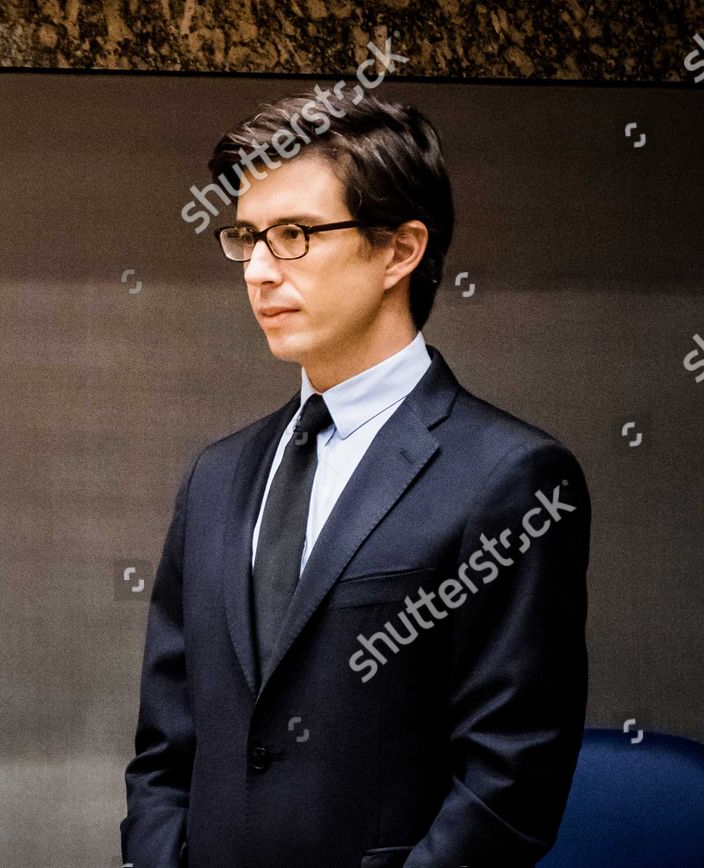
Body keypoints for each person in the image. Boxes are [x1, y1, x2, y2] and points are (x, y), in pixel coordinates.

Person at [120, 94, 593, 868]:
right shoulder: (217, 475)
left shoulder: (510, 477)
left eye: (295, 235)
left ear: (400, 250)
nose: (259, 271)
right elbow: (165, 751)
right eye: (247, 237)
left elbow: (508, 784)